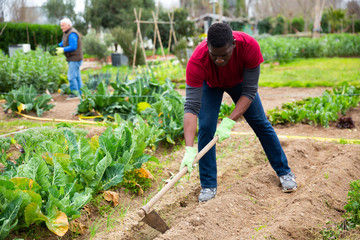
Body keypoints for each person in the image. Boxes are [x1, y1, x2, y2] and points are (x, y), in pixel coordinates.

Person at [180, 23, 297, 203]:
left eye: (224, 55)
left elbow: (250, 91)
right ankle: (208, 185)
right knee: (205, 128)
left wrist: (229, 121)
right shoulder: (197, 60)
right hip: (210, 85)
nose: (219, 60)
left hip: (240, 83)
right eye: (214, 55)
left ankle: (284, 172)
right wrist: (189, 149)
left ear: (234, 44)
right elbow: (191, 107)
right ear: (207, 46)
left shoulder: (249, 46)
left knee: (260, 123)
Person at [56, 18, 83, 100]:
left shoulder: (72, 34)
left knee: (71, 77)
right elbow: (64, 42)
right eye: (61, 25)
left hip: (75, 58)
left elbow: (73, 46)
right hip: (73, 58)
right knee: (77, 76)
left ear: (68, 25)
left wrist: (63, 49)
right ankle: (80, 93)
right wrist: (58, 46)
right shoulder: (66, 32)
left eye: (63, 25)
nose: (61, 27)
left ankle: (75, 94)